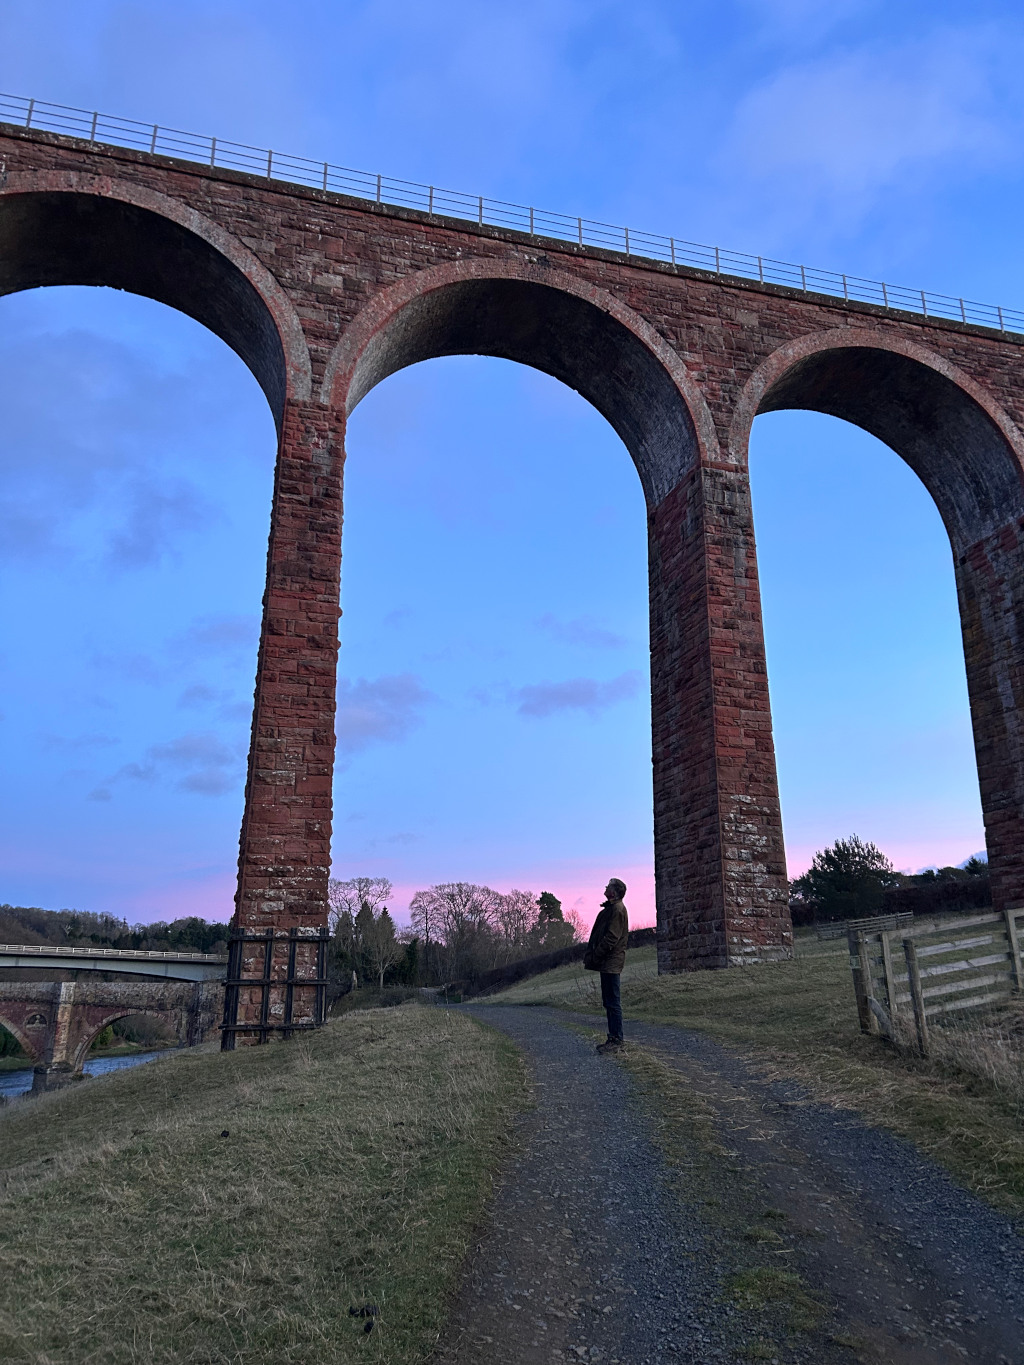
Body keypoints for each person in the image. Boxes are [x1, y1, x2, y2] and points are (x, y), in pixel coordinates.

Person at [583, 878, 628, 1053]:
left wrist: (597, 954)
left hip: (611, 962)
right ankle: (614, 1038)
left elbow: (611, 938)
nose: (605, 888)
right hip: (608, 962)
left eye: (608, 886)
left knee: (612, 1002)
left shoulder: (617, 910)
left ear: (615, 892)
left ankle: (616, 1040)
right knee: (609, 1001)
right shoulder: (612, 908)